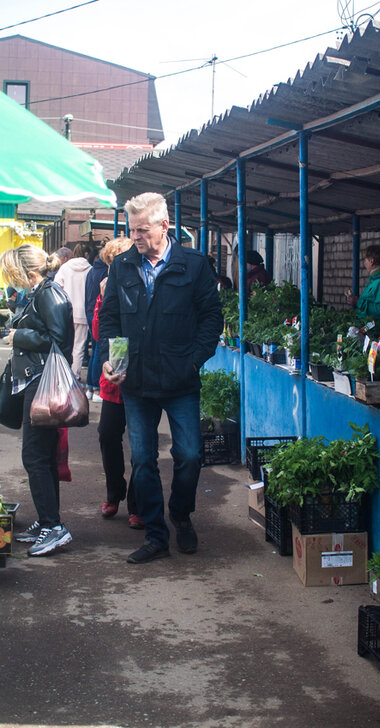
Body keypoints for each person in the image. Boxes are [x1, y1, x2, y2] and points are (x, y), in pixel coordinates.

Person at [99, 192, 223, 564]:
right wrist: (114, 360)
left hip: (180, 380)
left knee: (189, 455)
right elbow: (111, 319)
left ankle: (181, 514)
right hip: (136, 382)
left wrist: (193, 361)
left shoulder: (196, 265)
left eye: (142, 230)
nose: (135, 236)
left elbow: (211, 320)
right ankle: (155, 534)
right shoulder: (121, 266)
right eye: (132, 230)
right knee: (142, 459)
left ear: (164, 225)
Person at [0, 244, 75, 558]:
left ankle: (53, 526)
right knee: (41, 457)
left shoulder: (49, 293)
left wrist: (19, 336)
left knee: (35, 457)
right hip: (37, 381)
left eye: (13, 273)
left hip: (43, 383)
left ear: (26, 272)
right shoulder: (41, 291)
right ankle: (48, 522)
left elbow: (60, 342)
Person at [91, 237, 139, 526]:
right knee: (108, 434)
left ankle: (138, 503)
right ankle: (114, 491)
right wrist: (103, 299)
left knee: (141, 445)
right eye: (110, 265)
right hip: (114, 378)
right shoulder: (105, 291)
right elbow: (99, 335)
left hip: (142, 376)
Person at [54, 242, 93, 382]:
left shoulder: (64, 268)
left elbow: (56, 288)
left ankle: (61, 375)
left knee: (64, 345)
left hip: (66, 313)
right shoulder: (90, 270)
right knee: (79, 347)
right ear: (87, 254)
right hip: (83, 313)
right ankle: (73, 377)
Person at [83, 241, 108, 394]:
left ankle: (91, 386)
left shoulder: (91, 271)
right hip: (99, 312)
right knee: (99, 351)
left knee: (95, 351)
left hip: (90, 312)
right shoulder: (105, 273)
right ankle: (96, 387)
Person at [352, 245, 380, 324]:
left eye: (365, 259)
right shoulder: (375, 279)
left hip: (375, 330)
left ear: (371, 261)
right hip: (369, 327)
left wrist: (359, 302)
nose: (365, 262)